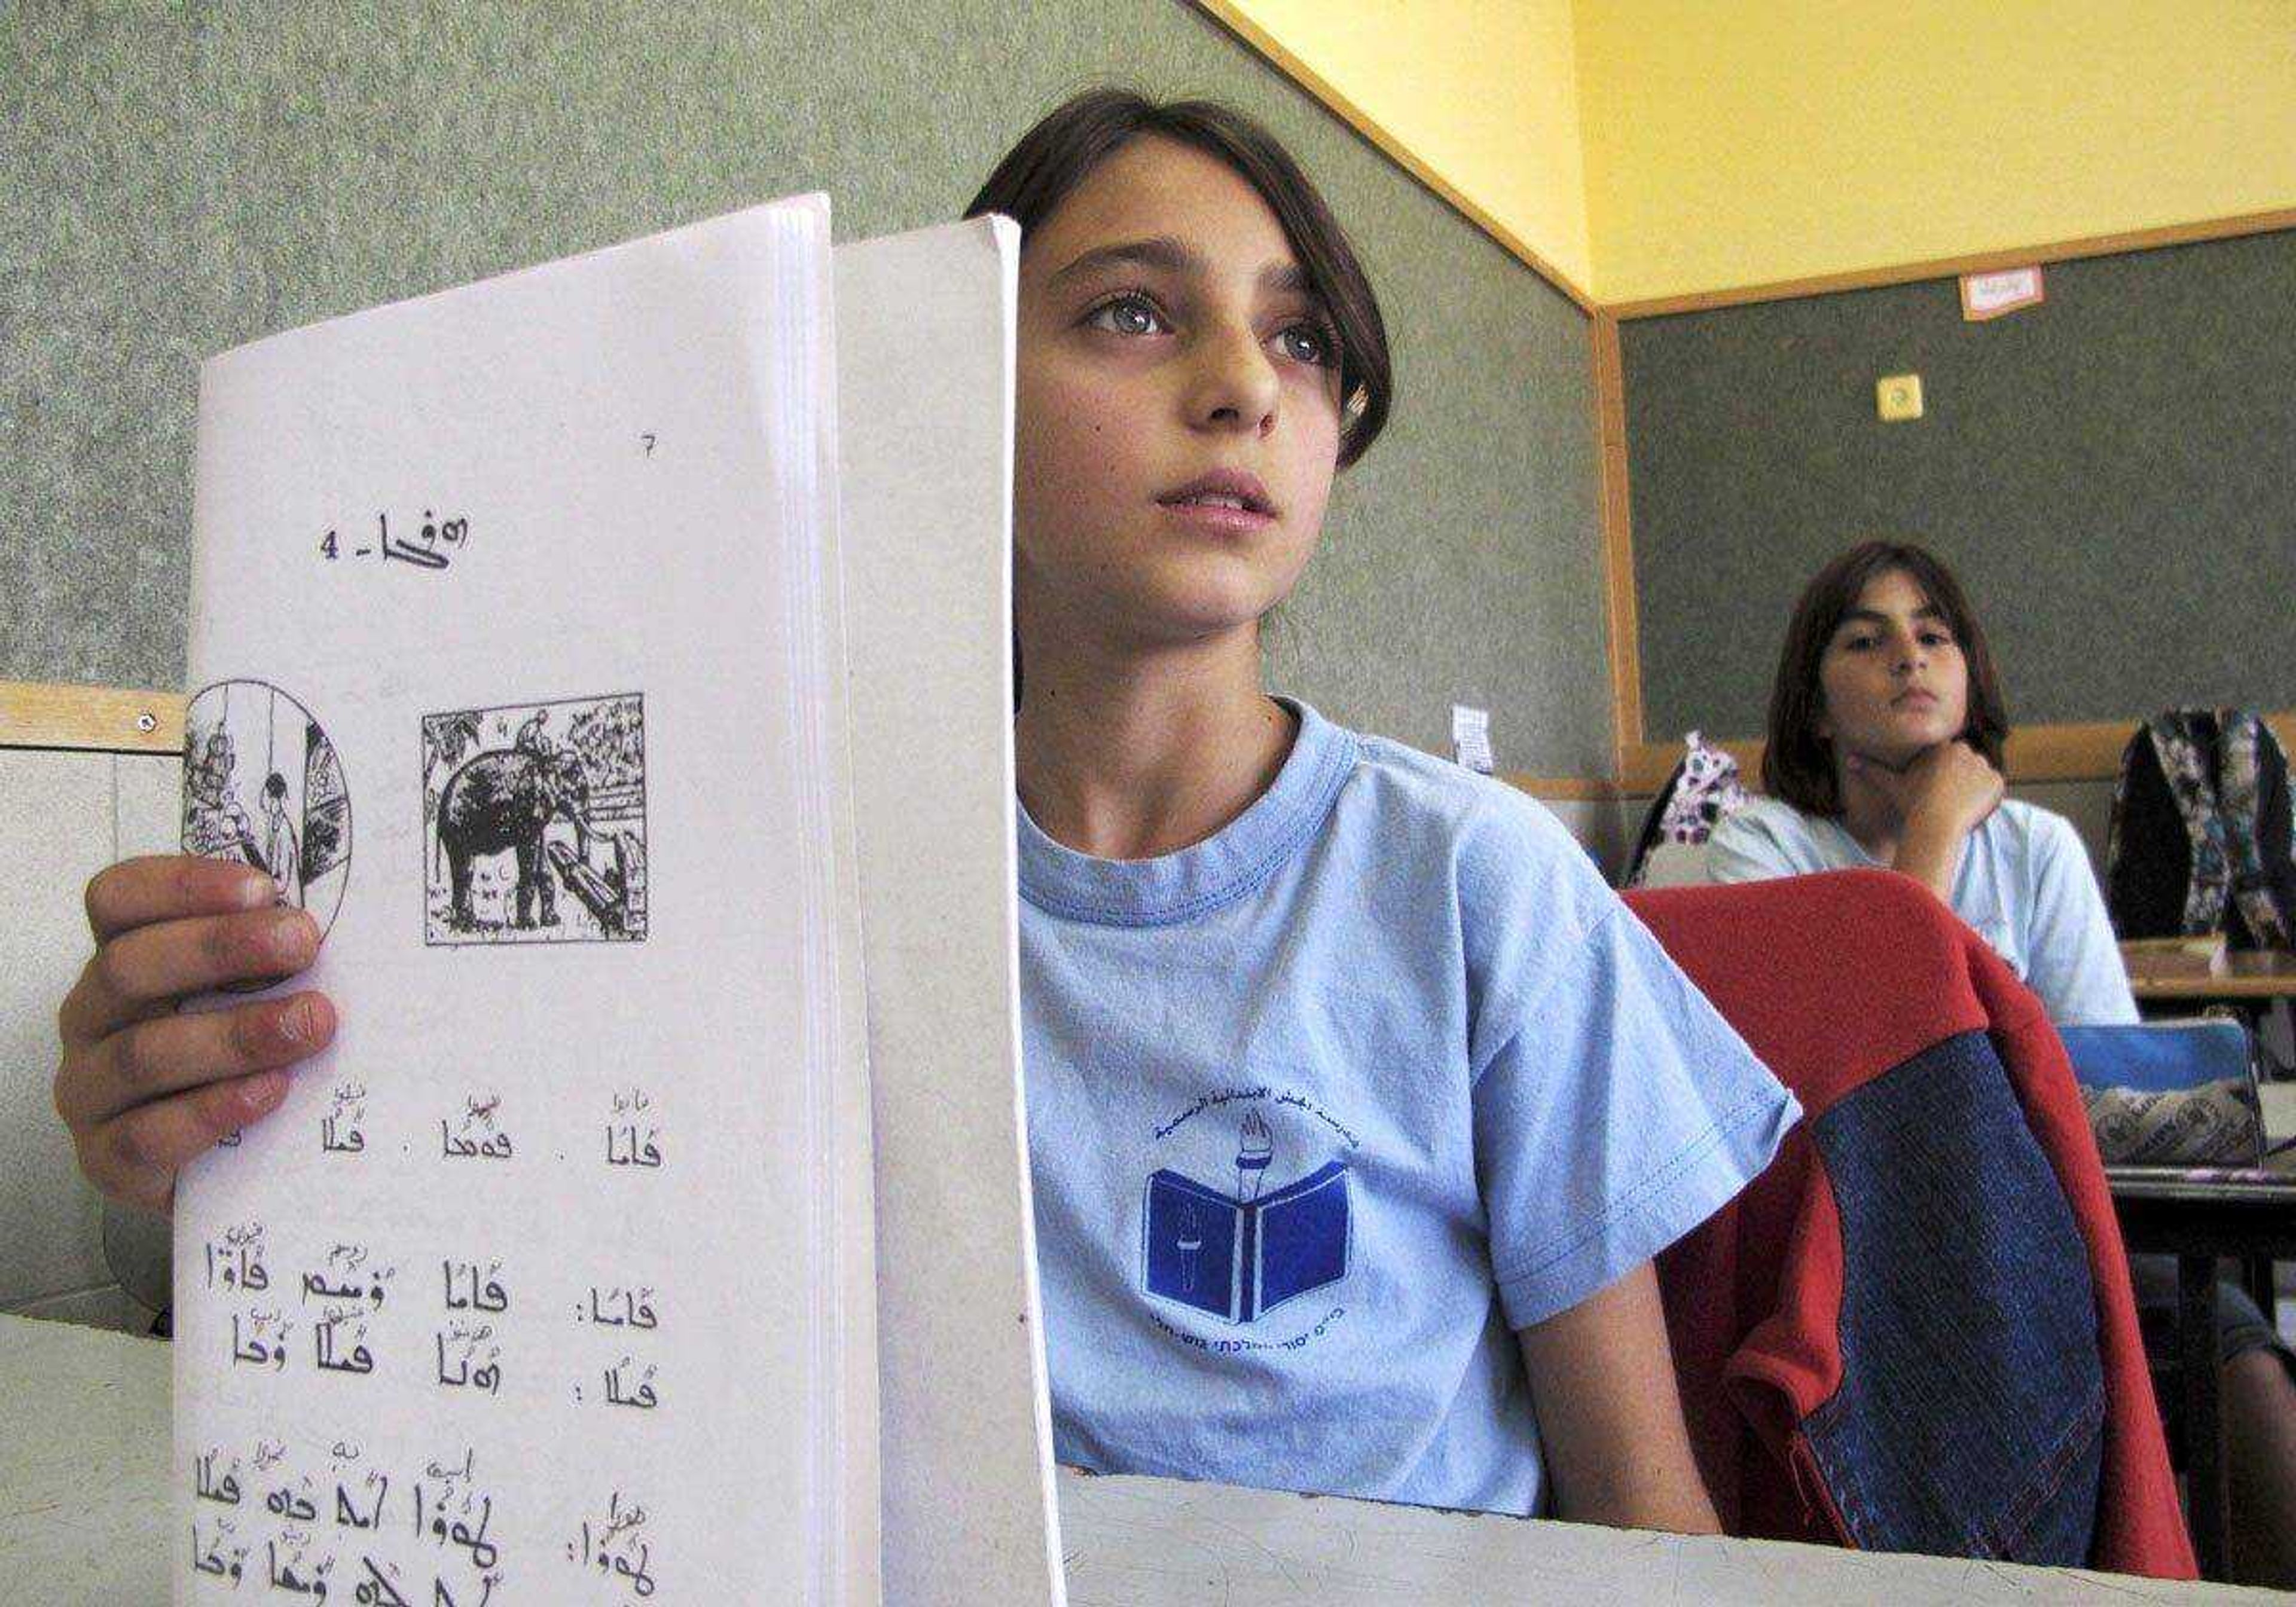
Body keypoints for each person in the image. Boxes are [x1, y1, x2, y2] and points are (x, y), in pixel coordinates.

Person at [52, 88, 1799, 1530]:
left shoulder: (1472, 886)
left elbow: (1645, 1512)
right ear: (942, 379)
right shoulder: (789, 871)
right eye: (1135, 309)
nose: (1243, 386)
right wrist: (222, 1127)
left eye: (1302, 337)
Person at [1706, 539, 2296, 1585]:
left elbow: (2108, 1088)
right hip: (1847, 1240)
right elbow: (1820, 1086)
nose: (1911, 659)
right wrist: (1932, 834)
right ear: (1813, 704)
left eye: (1935, 636)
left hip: (2051, 1216)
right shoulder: (1762, 850)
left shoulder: (2033, 848)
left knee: (2245, 1368)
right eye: (1868, 638)